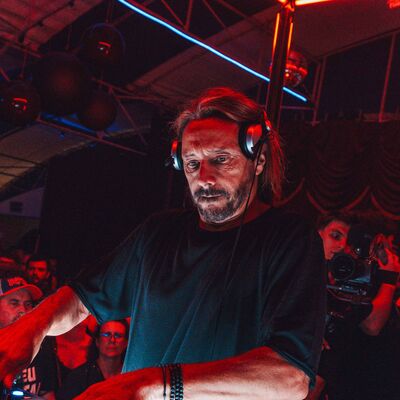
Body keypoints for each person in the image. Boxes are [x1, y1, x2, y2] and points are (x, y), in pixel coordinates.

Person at [0, 87, 326, 400]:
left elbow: (291, 378)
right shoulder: (159, 232)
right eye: (192, 163)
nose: (204, 177)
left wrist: (152, 385)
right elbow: (82, 299)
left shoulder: (290, 239)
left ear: (259, 160)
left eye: (220, 159)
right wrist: (33, 325)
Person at [310, 212, 400, 399]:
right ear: (318, 233)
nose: (342, 245)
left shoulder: (351, 285)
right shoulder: (298, 272)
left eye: (348, 240)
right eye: (335, 236)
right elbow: (372, 325)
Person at [0, 276, 58, 400]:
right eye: (14, 303)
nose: (23, 310)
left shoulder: (42, 345)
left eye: (28, 304)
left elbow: (47, 393)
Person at [57, 319, 129, 400]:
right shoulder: (78, 378)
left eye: (118, 335)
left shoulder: (131, 376)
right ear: (97, 341)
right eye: (107, 334)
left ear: (126, 343)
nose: (112, 340)